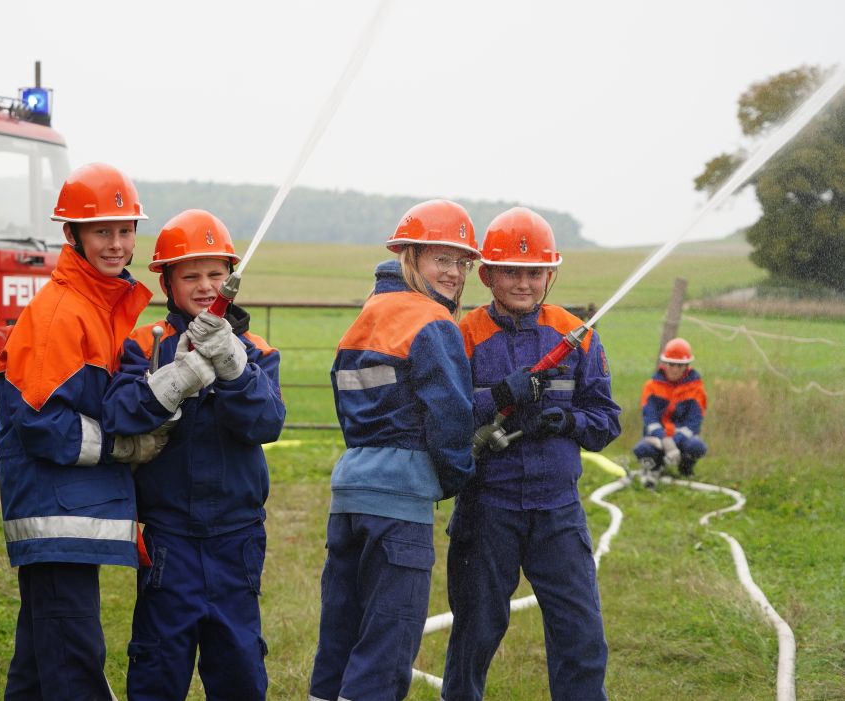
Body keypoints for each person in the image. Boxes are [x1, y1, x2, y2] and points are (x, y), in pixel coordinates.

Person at [0, 163, 187, 701]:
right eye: (102, 231)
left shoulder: (99, 307)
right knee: (75, 662)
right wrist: (124, 448)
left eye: (125, 230)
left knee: (39, 669)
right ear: (72, 235)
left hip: (66, 510)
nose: (116, 244)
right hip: (55, 513)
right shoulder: (63, 313)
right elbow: (40, 424)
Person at [104, 209, 286, 701]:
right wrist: (171, 382)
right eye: (190, 276)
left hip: (236, 537)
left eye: (215, 274)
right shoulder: (145, 343)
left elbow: (266, 423)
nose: (206, 286)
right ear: (166, 281)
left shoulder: (255, 350)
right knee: (158, 668)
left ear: (231, 278)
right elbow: (118, 413)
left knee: (239, 668)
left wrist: (232, 367)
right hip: (169, 539)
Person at [442, 206, 622, 701]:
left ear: (550, 275)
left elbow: (607, 420)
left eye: (535, 273)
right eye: (511, 272)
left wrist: (569, 422)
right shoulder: (462, 336)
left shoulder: (576, 335)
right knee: (475, 634)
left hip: (557, 511)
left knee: (581, 635)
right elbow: (445, 417)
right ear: (488, 275)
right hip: (486, 509)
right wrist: (498, 396)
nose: (524, 283)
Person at [308, 200, 479, 701]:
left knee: (340, 632)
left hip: (350, 492)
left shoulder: (368, 315)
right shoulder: (433, 322)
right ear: (410, 256)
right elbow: (452, 417)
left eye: (462, 263)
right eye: (442, 259)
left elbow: (348, 409)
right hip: (400, 503)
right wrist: (454, 477)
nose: (454, 273)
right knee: (387, 642)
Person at [633, 337, 708, 484]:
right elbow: (650, 419)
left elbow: (694, 423)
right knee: (642, 449)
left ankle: (685, 469)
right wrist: (664, 440)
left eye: (680, 365)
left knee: (697, 447)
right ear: (664, 364)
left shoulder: (697, 390)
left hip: (683, 440)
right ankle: (655, 468)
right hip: (657, 439)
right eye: (671, 364)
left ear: (687, 366)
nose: (675, 369)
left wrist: (675, 441)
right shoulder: (651, 387)